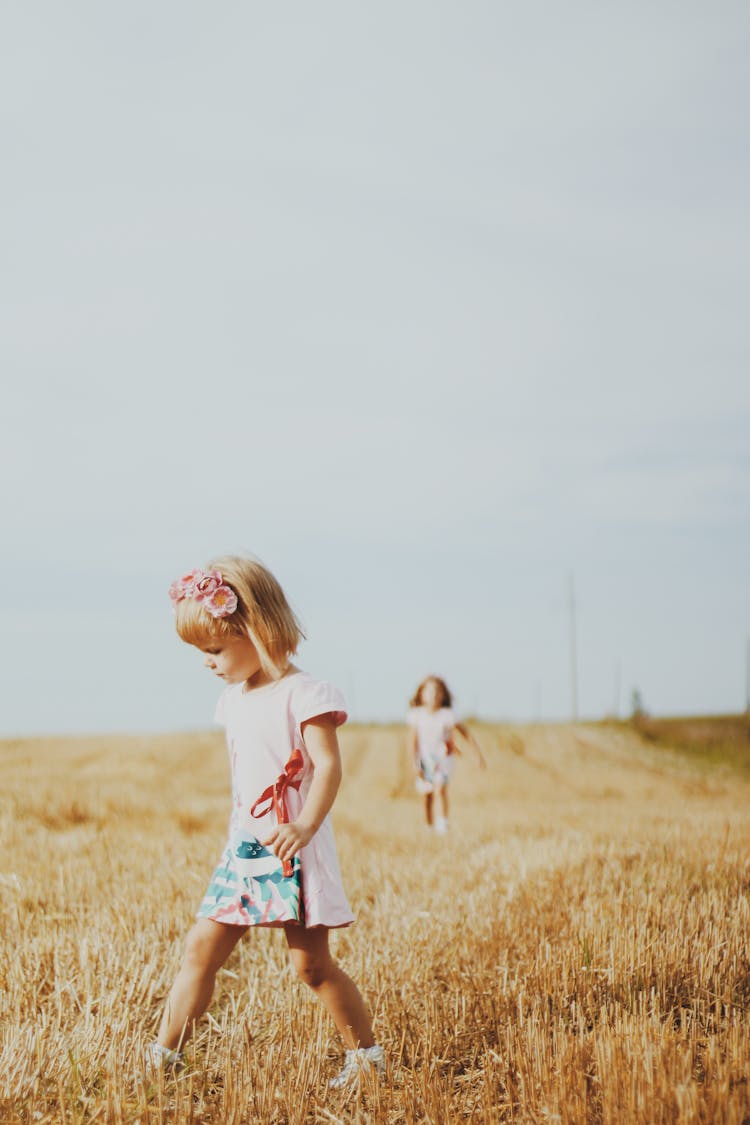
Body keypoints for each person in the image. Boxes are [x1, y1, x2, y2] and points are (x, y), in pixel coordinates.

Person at [148, 555, 384, 1089]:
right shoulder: (231, 701)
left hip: (291, 847)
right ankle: (162, 1060)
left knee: (311, 967)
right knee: (200, 951)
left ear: (255, 628)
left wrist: (303, 828)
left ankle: (367, 1058)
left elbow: (328, 767)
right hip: (245, 850)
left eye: (213, 650)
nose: (208, 663)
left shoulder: (306, 695)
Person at [407, 675, 486, 833]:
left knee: (440, 789)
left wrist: (477, 755)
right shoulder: (417, 716)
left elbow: (466, 734)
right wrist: (413, 763)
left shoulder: (447, 715)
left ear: (443, 695)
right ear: (421, 695)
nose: (434, 695)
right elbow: (412, 741)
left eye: (437, 691)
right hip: (424, 760)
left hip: (443, 759)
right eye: (429, 691)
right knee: (426, 795)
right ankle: (428, 827)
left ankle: (442, 824)